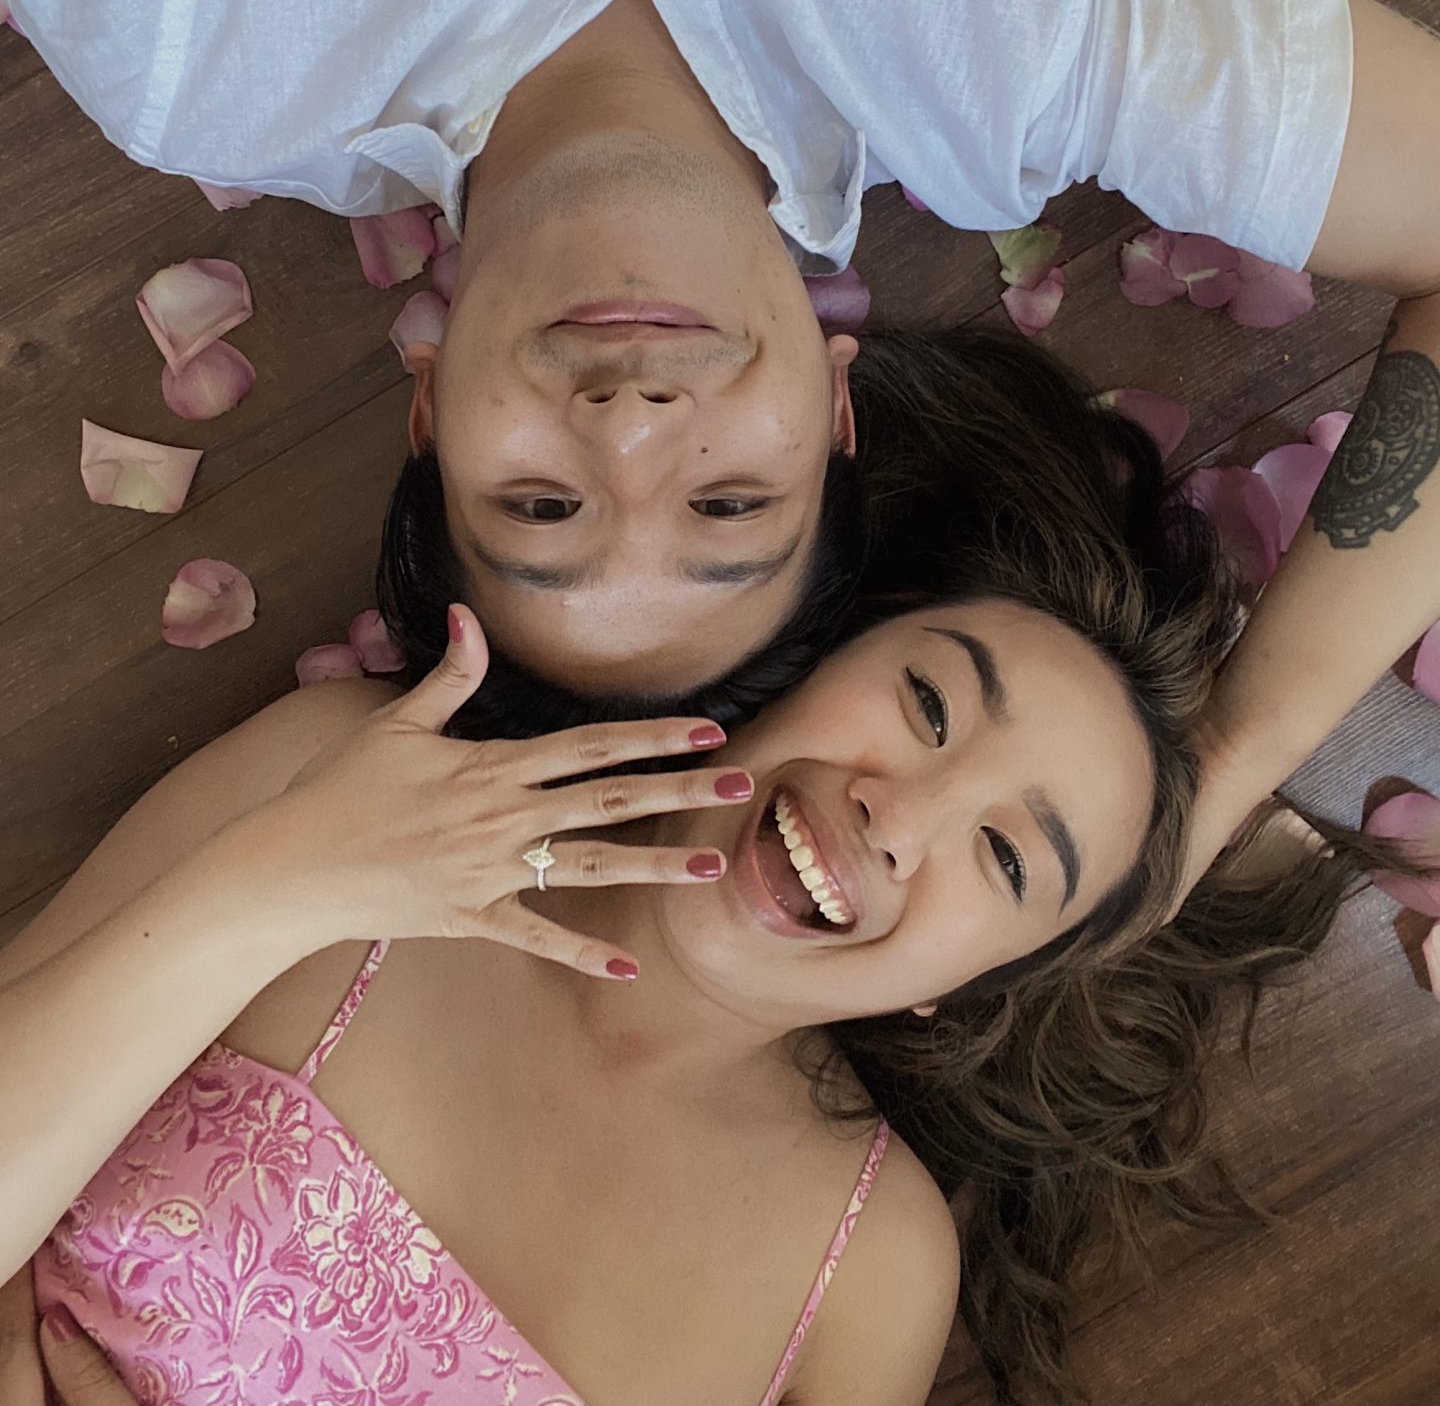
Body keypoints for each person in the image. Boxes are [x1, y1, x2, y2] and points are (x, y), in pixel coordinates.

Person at [4, 0, 1440, 878]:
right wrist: (1230, 760)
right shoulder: (1025, 54)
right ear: (832, 403)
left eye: (540, 510)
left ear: (432, 406)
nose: (630, 433)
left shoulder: (190, 41)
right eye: (731, 508)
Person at [0, 331, 1423, 1406]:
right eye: (928, 705)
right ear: (799, 667)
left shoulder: (866, 1272)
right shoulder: (348, 772)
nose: (901, 816)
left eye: (1007, 857)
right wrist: (282, 882)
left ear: (969, 986)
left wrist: (1193, 804)